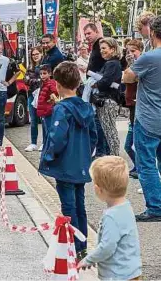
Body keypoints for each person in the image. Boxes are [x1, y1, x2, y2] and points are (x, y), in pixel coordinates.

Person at [39, 62, 97, 260]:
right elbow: (94, 136)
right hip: (81, 163)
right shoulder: (87, 108)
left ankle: (71, 245)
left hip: (65, 164)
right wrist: (86, 155)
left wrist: (48, 156)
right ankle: (82, 245)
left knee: (68, 206)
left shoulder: (61, 109)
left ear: (58, 85)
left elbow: (57, 137)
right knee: (80, 205)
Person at [78, 156, 142, 281]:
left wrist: (88, 259)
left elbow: (107, 247)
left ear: (98, 189)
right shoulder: (126, 206)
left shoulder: (111, 216)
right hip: (131, 270)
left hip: (117, 274)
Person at [123, 16, 161, 222]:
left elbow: (127, 77)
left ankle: (155, 207)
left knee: (146, 164)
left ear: (153, 33)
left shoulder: (149, 57)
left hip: (149, 117)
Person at [90, 38, 122, 157]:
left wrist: (96, 83)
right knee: (108, 131)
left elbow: (105, 81)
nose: (101, 51)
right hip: (108, 100)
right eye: (101, 48)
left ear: (112, 49)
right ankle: (113, 157)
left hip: (107, 101)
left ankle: (114, 159)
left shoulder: (112, 63)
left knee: (109, 131)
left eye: (104, 48)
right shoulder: (113, 63)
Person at [84, 23, 110, 157]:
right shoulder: (95, 46)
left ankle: (102, 151)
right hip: (95, 85)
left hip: (99, 87)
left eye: (89, 33)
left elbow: (106, 67)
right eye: (85, 34)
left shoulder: (100, 44)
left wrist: (95, 78)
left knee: (98, 121)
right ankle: (102, 150)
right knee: (97, 120)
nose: (87, 36)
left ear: (96, 31)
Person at [122, 39, 144, 179]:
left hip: (138, 107)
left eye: (133, 51)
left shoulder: (141, 64)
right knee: (129, 145)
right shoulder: (130, 65)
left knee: (134, 144)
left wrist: (130, 68)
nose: (130, 54)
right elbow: (125, 79)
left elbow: (133, 78)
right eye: (128, 51)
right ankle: (138, 167)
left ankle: (142, 171)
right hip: (131, 106)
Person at [24, 47, 43, 152]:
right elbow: (25, 80)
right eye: (33, 54)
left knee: (44, 121)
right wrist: (36, 81)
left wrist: (32, 80)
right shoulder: (30, 67)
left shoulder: (44, 66)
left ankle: (44, 143)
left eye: (37, 54)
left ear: (41, 54)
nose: (35, 56)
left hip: (42, 95)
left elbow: (43, 81)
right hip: (31, 95)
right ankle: (33, 143)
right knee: (33, 120)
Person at [36, 65, 59, 145]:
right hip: (45, 111)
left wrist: (51, 99)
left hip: (48, 111)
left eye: (44, 73)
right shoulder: (44, 83)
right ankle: (47, 148)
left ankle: (51, 149)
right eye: (41, 73)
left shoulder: (50, 83)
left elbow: (55, 92)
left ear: (50, 74)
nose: (42, 75)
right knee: (47, 131)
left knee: (49, 131)